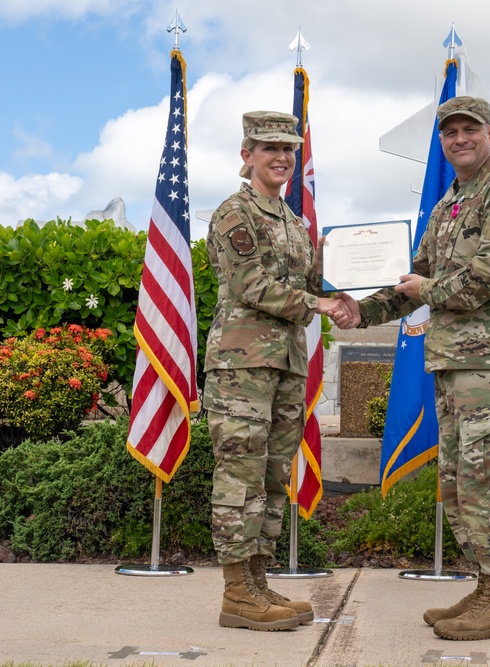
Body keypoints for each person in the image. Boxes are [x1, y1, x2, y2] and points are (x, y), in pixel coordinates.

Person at [335, 96, 490, 640]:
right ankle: (486, 588)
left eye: (469, 129)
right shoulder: (448, 204)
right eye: (449, 132)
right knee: (459, 484)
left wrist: (425, 289)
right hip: (453, 366)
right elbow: (414, 279)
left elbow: (487, 277)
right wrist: (362, 310)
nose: (459, 139)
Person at [202, 110, 345, 631]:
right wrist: (319, 302)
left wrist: (341, 268)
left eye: (288, 149)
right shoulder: (234, 214)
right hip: (241, 366)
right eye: (269, 149)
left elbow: (311, 283)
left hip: (283, 362)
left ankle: (256, 581)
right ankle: (236, 591)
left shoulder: (293, 222)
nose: (281, 157)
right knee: (240, 476)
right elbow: (251, 287)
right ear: (247, 156)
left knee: (271, 475)